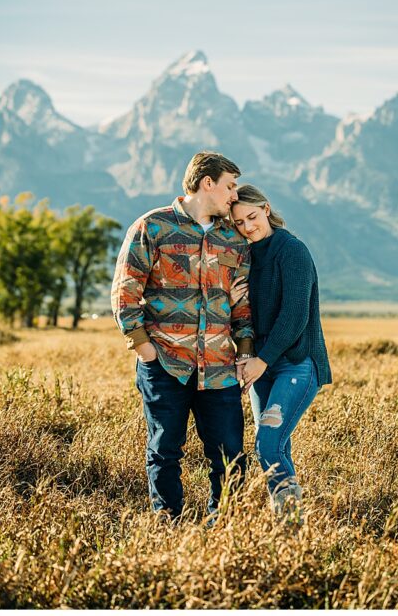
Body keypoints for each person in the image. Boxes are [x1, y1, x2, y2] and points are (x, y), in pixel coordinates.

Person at [111, 151, 262, 521]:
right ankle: (168, 526)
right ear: (207, 183)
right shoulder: (153, 227)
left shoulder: (233, 240)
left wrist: (244, 353)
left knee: (230, 454)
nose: (233, 197)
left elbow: (242, 306)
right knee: (164, 450)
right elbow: (125, 292)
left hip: (220, 368)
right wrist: (144, 350)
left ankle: (222, 528)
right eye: (229, 187)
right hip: (165, 364)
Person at [229, 185, 332, 515]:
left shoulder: (293, 251)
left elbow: (295, 314)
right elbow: (245, 314)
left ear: (267, 208)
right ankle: (290, 523)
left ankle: (289, 520)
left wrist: (262, 359)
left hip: (297, 364)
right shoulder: (245, 257)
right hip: (262, 366)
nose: (247, 227)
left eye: (252, 217)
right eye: (239, 223)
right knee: (277, 446)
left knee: (267, 444)